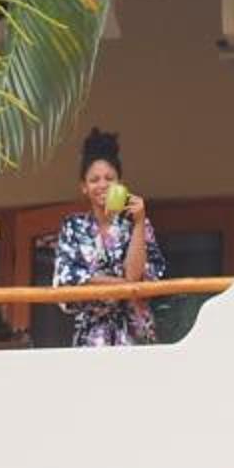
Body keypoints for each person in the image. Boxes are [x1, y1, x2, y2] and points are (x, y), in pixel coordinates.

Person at [46, 128, 163, 347]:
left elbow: (138, 277)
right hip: (91, 338)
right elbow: (67, 280)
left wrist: (139, 222)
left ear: (120, 183)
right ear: (84, 187)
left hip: (135, 334)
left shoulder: (136, 224)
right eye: (94, 179)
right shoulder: (73, 226)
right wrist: (125, 286)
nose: (102, 185)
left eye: (110, 178)